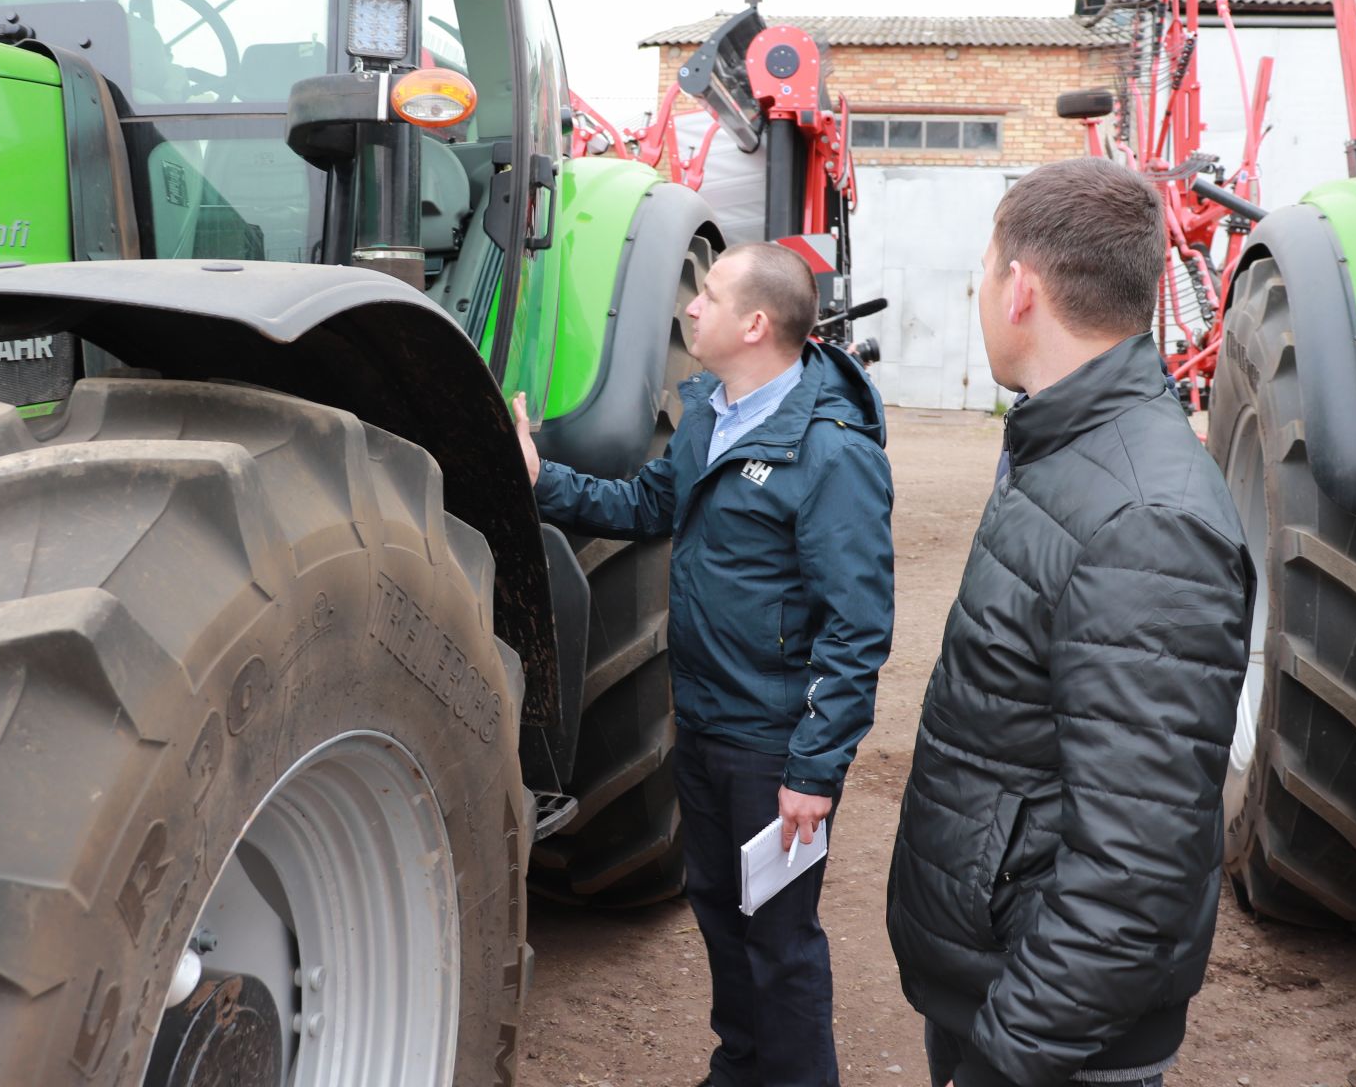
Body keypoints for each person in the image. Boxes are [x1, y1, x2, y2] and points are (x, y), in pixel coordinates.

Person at [883, 157, 1255, 1087]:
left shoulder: (1145, 522)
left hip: (1054, 1043)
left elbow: (1136, 866)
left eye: (983, 270)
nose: (979, 291)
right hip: (1001, 990)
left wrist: (1010, 1061)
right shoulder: (1063, 448)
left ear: (1020, 290)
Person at [514, 241, 894, 1087]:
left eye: (710, 296)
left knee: (781, 942)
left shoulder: (830, 454)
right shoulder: (713, 416)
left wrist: (815, 768)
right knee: (723, 918)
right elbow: (648, 505)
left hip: (775, 748)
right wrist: (543, 481)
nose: (691, 307)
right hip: (708, 725)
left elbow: (857, 627)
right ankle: (741, 1070)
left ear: (755, 324)